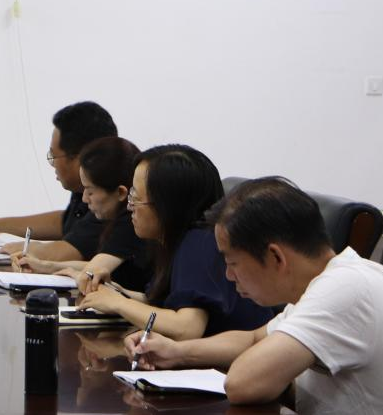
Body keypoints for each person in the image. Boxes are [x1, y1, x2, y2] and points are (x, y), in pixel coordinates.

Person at [128, 177, 383, 415]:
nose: (228, 276)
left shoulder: (347, 289)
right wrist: (176, 352)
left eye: (232, 262)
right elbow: (254, 339)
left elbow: (243, 384)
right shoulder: (328, 283)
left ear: (276, 256)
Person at [77, 145, 275, 339]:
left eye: (136, 198)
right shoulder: (178, 242)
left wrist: (119, 304)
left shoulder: (200, 242)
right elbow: (165, 304)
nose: (130, 207)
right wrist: (116, 292)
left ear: (168, 206)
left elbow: (186, 327)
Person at [0, 101, 117, 260]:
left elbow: (71, 250)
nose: (52, 164)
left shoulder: (110, 196)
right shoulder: (85, 188)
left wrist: (26, 249)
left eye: (53, 156)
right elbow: (67, 223)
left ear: (79, 158)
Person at [11, 136, 150, 292]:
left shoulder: (132, 221)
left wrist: (53, 267)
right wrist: (46, 266)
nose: (84, 199)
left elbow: (92, 271)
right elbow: (95, 265)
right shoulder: (119, 218)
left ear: (121, 192)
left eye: (90, 191)